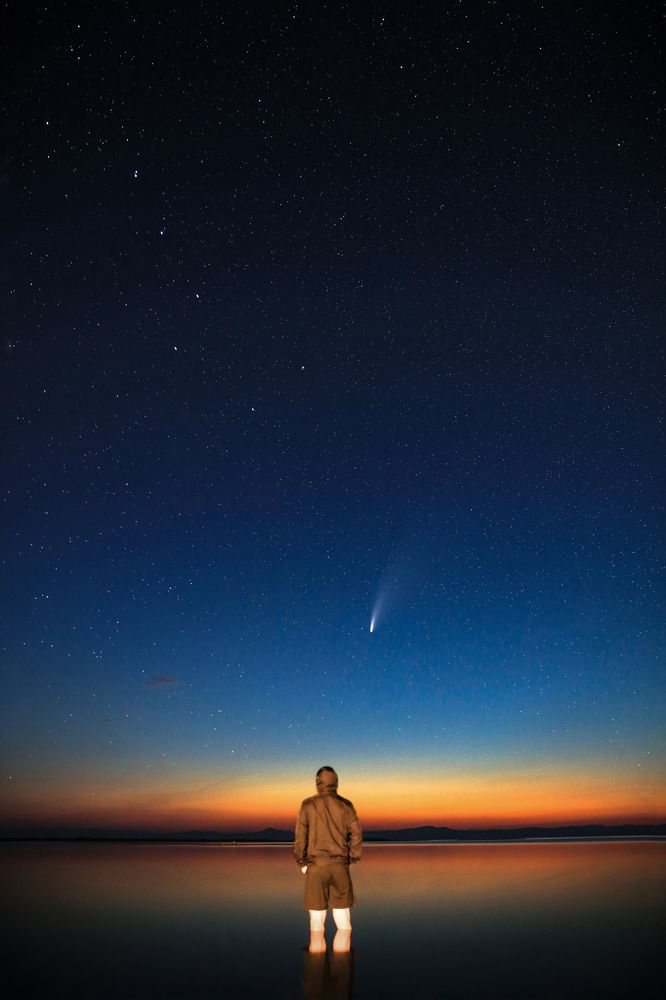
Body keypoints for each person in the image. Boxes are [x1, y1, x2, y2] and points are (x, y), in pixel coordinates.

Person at [294, 765, 362, 935]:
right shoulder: (346, 804)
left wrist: (301, 862)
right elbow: (356, 834)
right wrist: (352, 858)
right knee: (343, 920)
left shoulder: (308, 805)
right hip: (340, 866)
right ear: (336, 782)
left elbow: (301, 837)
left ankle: (316, 960)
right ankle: (343, 960)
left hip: (316, 867)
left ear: (318, 782)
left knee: (316, 921)